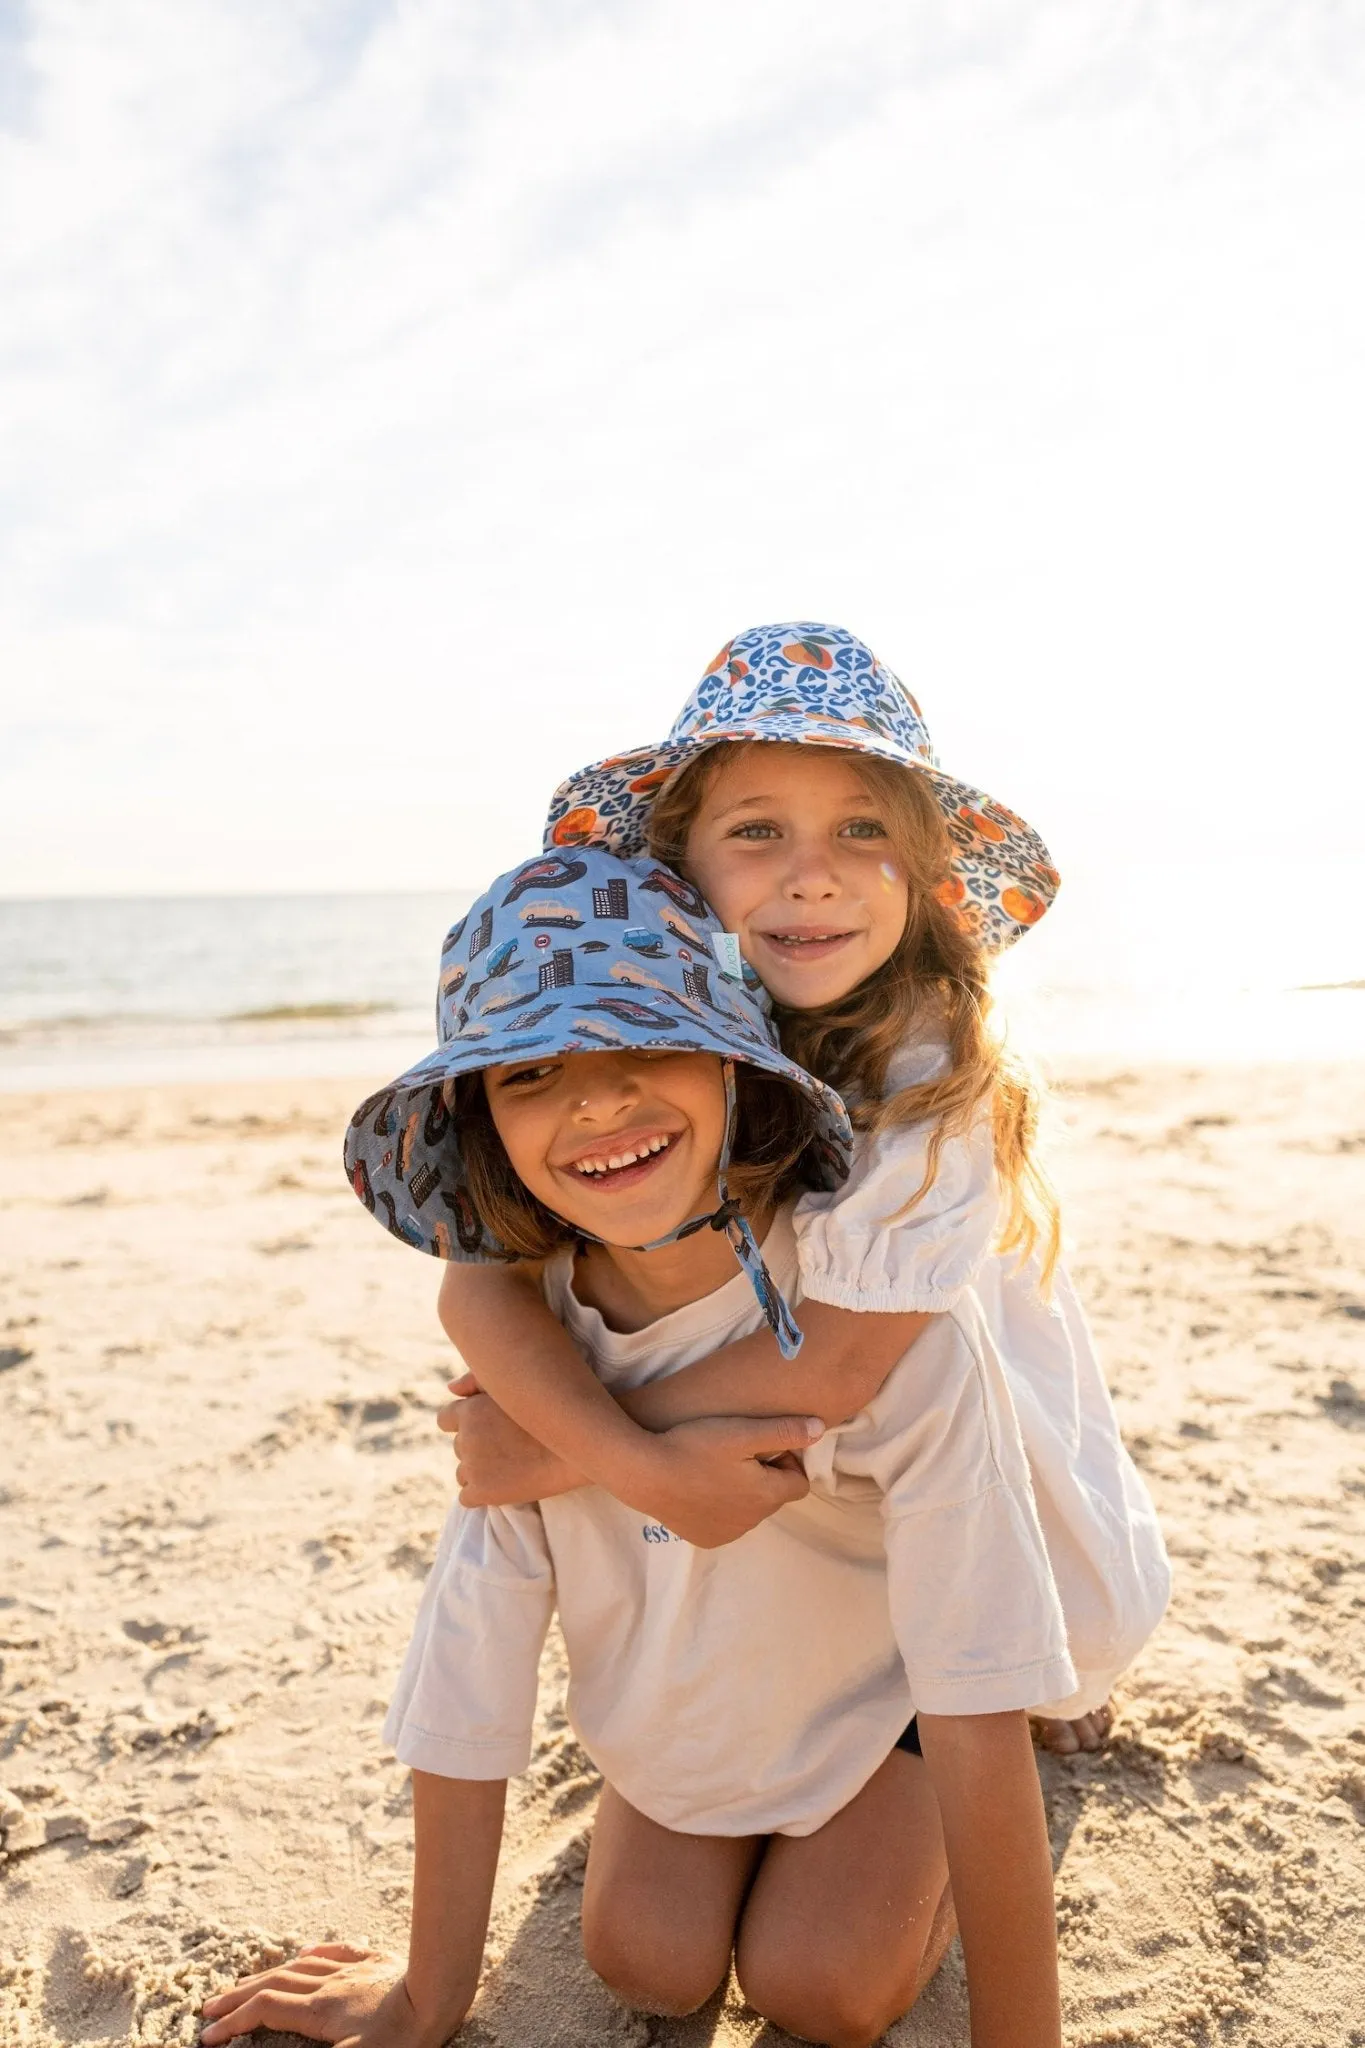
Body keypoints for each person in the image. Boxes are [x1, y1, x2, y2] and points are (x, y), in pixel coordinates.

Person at [201, 848, 1075, 2048]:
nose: (599, 1103)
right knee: (645, 1959)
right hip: (697, 1714)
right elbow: (470, 1664)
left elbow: (977, 1681)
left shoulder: (873, 1316)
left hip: (895, 1708)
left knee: (818, 1980)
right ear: (483, 1125)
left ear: (734, 1060)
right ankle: (721, 1798)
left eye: (645, 1043)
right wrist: (424, 1992)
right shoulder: (531, 1357)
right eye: (535, 1073)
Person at [440, 624, 1169, 1754]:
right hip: (793, 1477)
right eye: (757, 830)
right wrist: (612, 1440)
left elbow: (837, 1362)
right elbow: (483, 1278)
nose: (811, 871)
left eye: (861, 829)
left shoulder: (934, 1069)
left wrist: (565, 1444)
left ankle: (982, 1691)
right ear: (681, 866)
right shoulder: (648, 1031)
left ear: (923, 876)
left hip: (954, 1466)